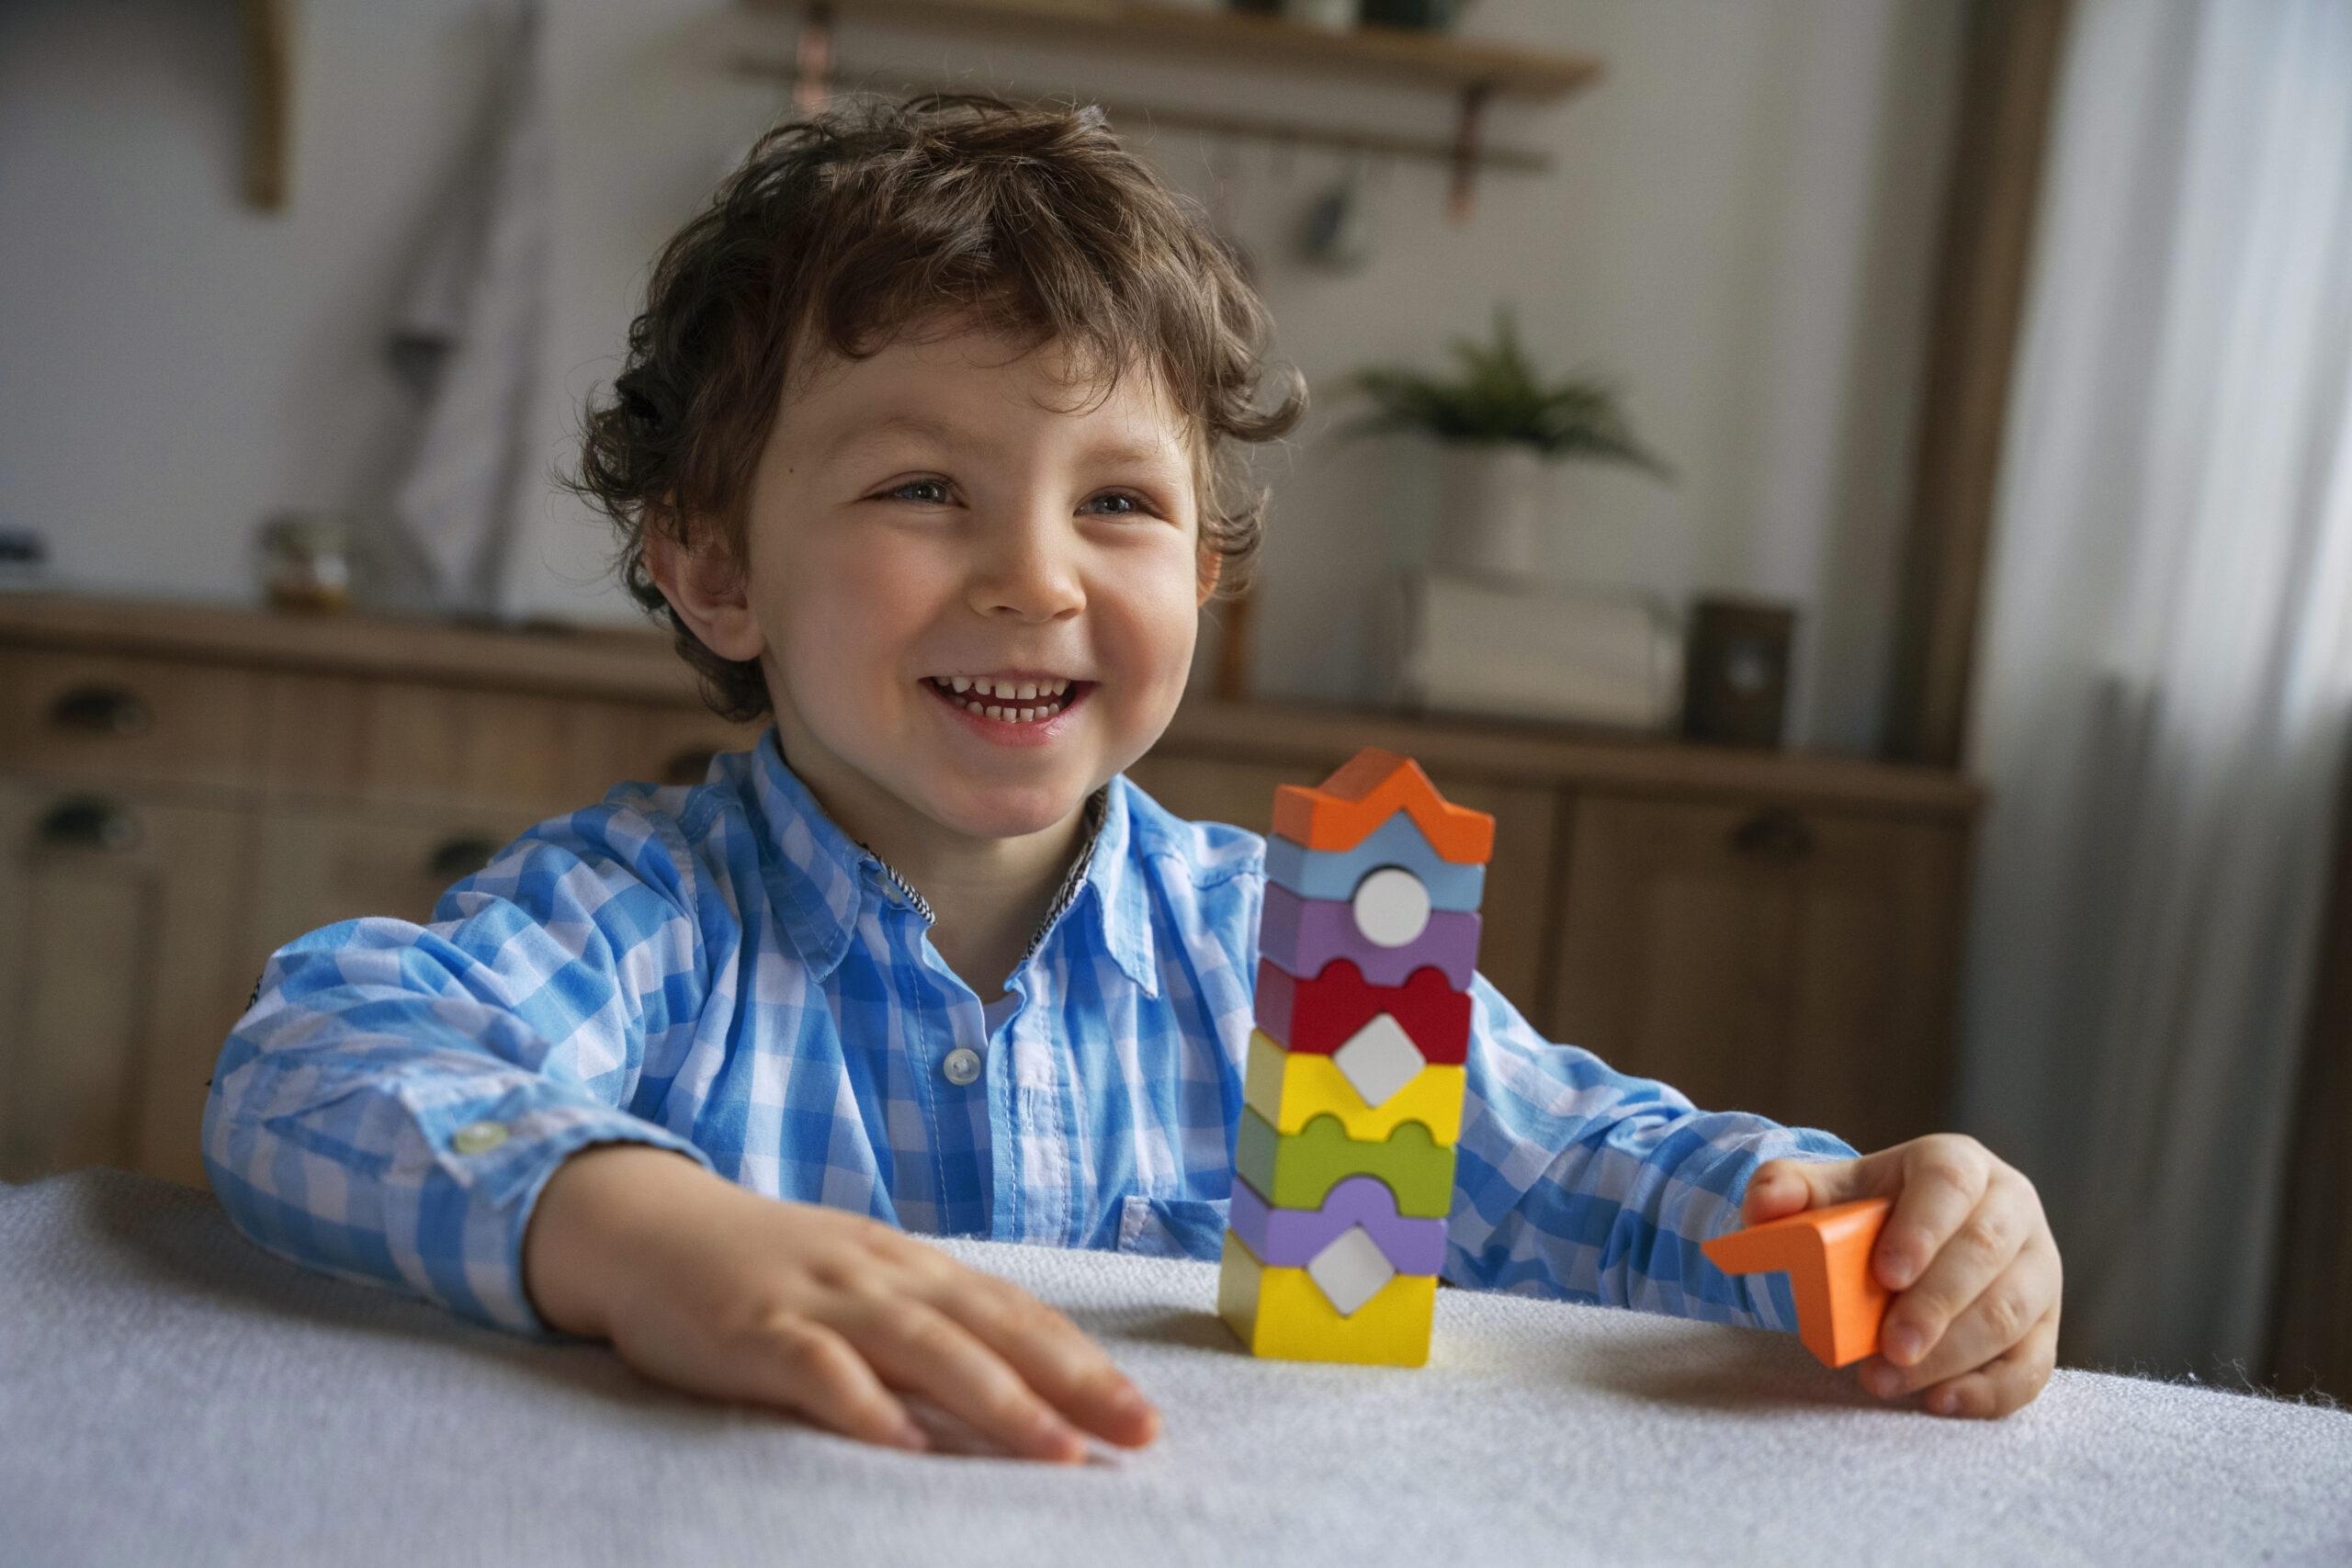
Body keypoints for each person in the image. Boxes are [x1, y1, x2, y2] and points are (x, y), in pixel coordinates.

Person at [204, 97, 2062, 1463]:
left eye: (1118, 500)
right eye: (921, 487)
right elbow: (312, 1057)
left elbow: (1590, 1172)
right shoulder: (648, 915)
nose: (1038, 577)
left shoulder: (1312, 953)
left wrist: (1884, 1216)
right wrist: (634, 1225)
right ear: (711, 566)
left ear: (1203, 569)